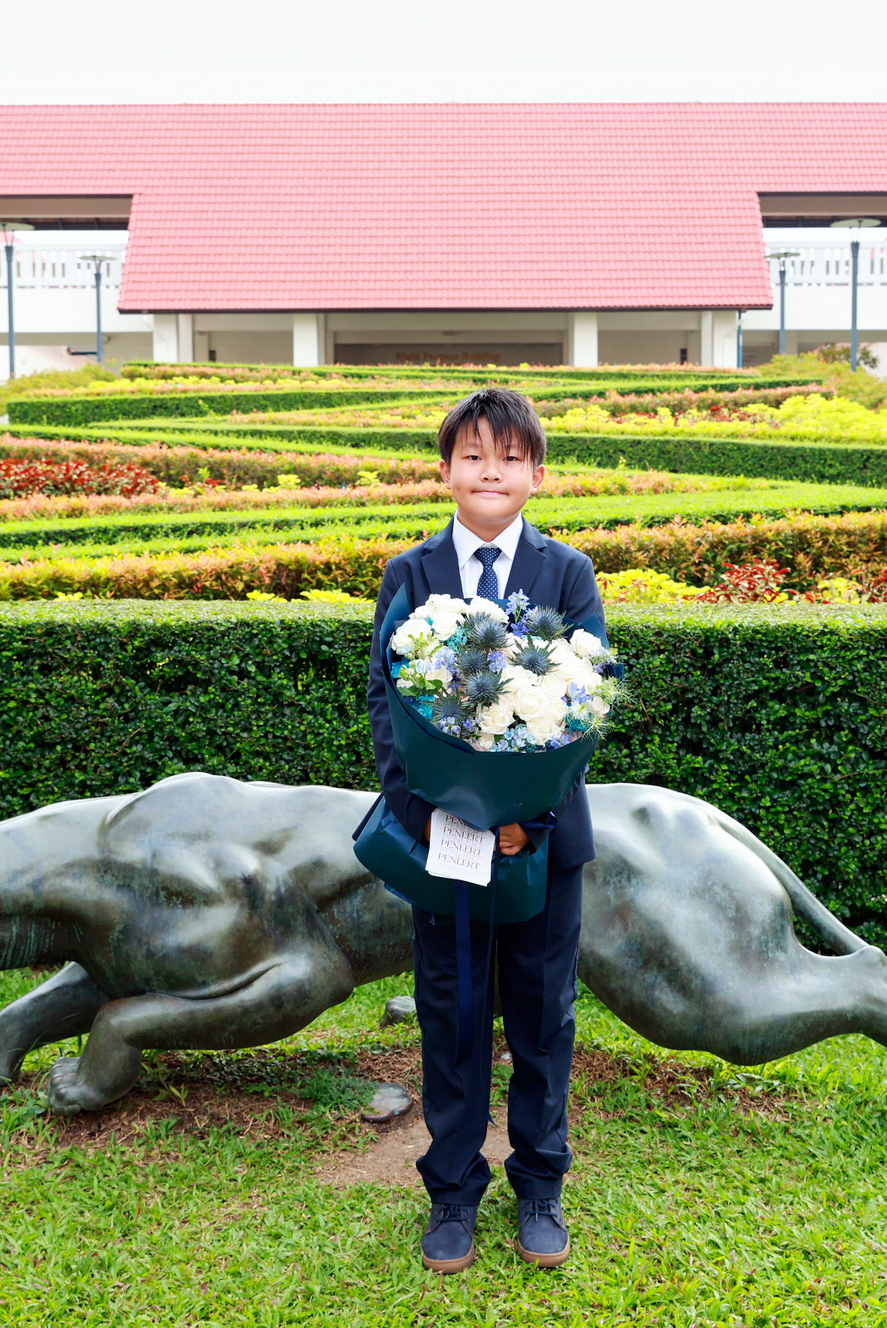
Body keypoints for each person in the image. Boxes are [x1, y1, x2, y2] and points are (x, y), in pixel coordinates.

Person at [366, 386, 605, 1275]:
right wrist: (434, 815)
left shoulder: (568, 573)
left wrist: (527, 817)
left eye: (509, 457)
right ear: (445, 472)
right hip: (447, 846)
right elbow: (387, 707)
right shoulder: (411, 574)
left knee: (543, 1017)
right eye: (472, 455)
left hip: (543, 844)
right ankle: (453, 1190)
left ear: (538, 473)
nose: (490, 471)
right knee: (453, 1016)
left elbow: (585, 704)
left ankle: (539, 1184)